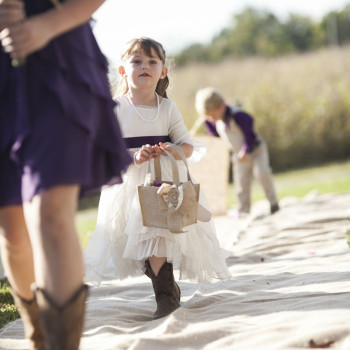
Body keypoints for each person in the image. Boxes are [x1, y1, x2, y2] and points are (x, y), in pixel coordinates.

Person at [0, 0, 132, 349]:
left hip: (57, 58)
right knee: (13, 231)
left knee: (51, 213)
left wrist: (47, 24)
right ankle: (38, 337)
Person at [84, 37, 231, 320]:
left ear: (163, 71)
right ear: (123, 70)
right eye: (137, 61)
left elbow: (187, 145)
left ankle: (164, 296)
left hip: (166, 181)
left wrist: (174, 149)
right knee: (140, 240)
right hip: (130, 184)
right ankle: (165, 285)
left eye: (152, 62)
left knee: (158, 233)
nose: (145, 67)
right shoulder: (116, 108)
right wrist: (135, 156)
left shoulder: (167, 108)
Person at [195, 87, 279, 217]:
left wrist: (245, 150)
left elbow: (249, 133)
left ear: (222, 107)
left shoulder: (237, 115)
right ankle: (243, 210)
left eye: (213, 115)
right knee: (241, 183)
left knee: (263, 173)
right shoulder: (215, 121)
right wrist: (207, 121)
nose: (212, 119)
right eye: (209, 117)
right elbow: (216, 135)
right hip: (238, 156)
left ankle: (274, 203)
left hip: (256, 150)